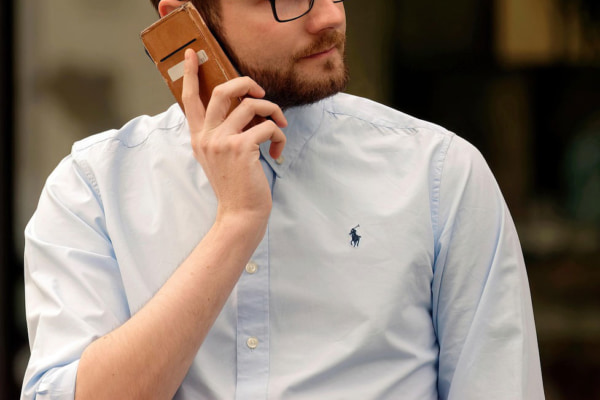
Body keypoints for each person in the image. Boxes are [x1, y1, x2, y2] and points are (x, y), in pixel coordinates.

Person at [21, 0, 545, 398]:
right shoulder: (93, 189)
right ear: (183, 19)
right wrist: (236, 224)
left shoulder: (439, 174)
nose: (329, 17)